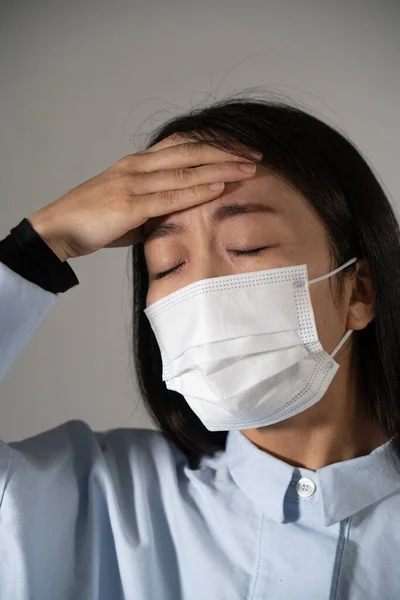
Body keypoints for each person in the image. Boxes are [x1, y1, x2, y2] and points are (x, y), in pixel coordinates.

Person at [1, 98, 399, 600]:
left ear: (359, 291)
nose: (202, 288)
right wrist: (40, 246)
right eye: (167, 265)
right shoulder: (89, 500)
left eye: (248, 245)